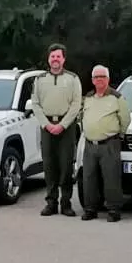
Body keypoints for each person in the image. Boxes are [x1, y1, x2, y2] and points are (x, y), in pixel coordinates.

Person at [30, 43, 82, 217]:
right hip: (47, 127)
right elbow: (35, 104)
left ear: (64, 59)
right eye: (52, 57)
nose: (55, 59)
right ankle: (51, 202)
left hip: (66, 127)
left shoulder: (73, 79)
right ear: (48, 59)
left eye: (58, 56)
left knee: (66, 165)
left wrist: (62, 125)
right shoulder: (39, 79)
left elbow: (76, 104)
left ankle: (66, 203)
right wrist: (46, 124)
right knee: (49, 165)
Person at [78, 65, 129, 222]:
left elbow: (125, 119)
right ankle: (90, 209)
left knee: (111, 178)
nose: (99, 80)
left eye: (102, 77)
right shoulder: (88, 98)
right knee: (88, 178)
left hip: (109, 144)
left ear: (108, 79)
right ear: (92, 80)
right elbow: (81, 117)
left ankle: (114, 210)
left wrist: (118, 136)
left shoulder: (117, 97)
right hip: (90, 144)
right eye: (96, 77)